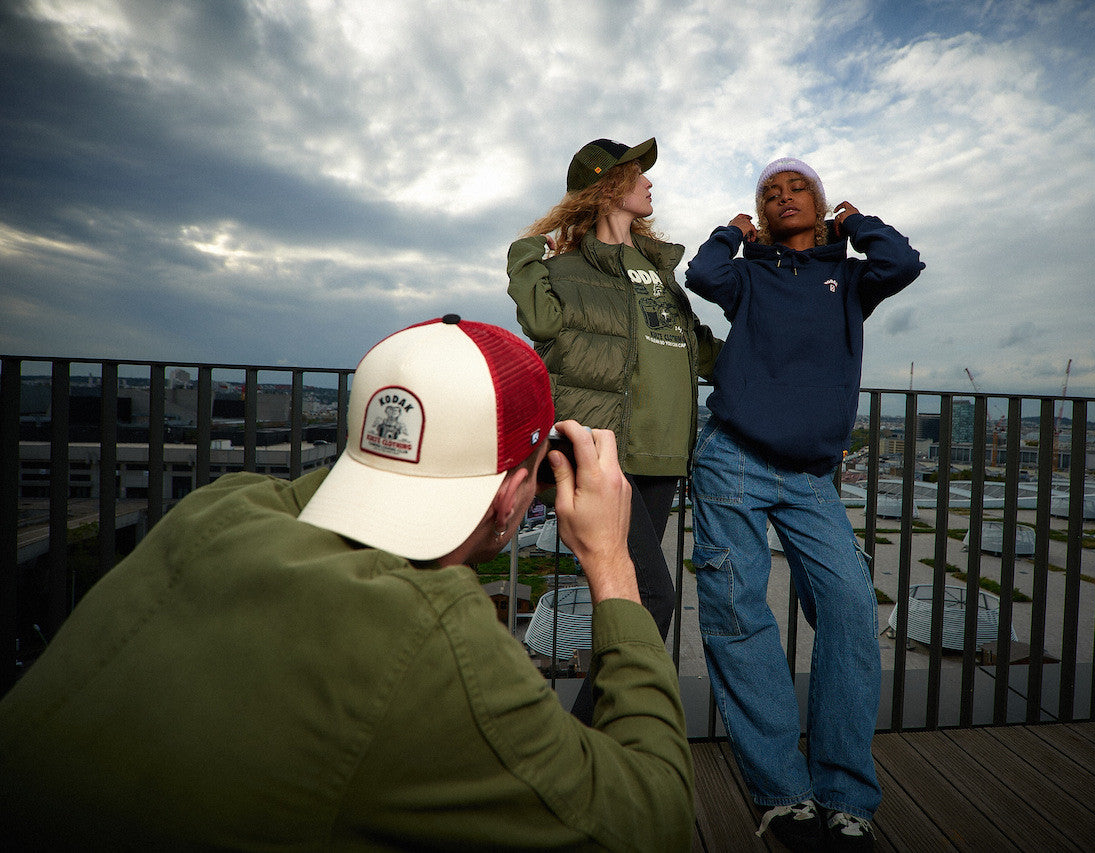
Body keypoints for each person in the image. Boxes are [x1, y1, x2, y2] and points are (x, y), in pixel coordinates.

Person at [0, 317, 694, 851]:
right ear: (516, 492)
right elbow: (654, 820)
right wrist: (611, 558)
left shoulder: (220, 511)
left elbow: (343, 491)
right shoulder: (438, 644)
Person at [684, 157, 924, 851]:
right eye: (769, 192)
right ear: (760, 214)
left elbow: (902, 262)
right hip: (733, 457)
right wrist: (731, 233)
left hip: (812, 476)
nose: (782, 196)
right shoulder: (748, 276)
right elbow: (702, 275)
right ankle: (784, 795)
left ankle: (845, 796)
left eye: (797, 188)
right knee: (738, 615)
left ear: (820, 205)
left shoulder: (849, 278)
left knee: (849, 606)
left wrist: (857, 222)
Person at [508, 137, 721, 722]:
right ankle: (591, 738)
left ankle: (591, 739)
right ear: (606, 186)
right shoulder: (566, 270)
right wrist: (527, 253)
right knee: (652, 596)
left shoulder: (660, 273)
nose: (650, 182)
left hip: (661, 453)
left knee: (626, 599)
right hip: (603, 453)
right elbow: (539, 320)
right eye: (637, 174)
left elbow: (699, 351)